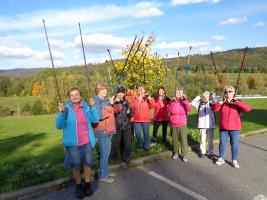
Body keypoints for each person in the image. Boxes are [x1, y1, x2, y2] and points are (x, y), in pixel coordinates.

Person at [56, 87, 99, 199]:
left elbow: (95, 120)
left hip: (87, 142)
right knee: (76, 166)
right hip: (73, 144)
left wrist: (93, 107)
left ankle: (87, 183)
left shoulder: (85, 107)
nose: (75, 97)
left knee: (87, 163)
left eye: (77, 94)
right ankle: (79, 185)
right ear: (69, 97)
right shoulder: (66, 109)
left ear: (80, 95)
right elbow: (59, 126)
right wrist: (60, 113)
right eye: (72, 95)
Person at [212, 85, 251, 168]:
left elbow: (248, 109)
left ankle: (234, 160)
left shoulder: (237, 102)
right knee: (222, 143)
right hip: (223, 127)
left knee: (234, 144)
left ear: (233, 93)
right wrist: (220, 102)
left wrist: (237, 102)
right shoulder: (222, 102)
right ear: (224, 93)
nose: (228, 93)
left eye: (230, 91)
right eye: (226, 92)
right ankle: (221, 158)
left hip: (235, 128)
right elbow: (213, 109)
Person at [93, 83, 116, 183]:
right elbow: (99, 115)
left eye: (106, 89)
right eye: (102, 89)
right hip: (102, 131)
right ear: (98, 91)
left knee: (106, 154)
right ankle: (103, 176)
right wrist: (110, 105)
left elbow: (111, 111)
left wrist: (116, 105)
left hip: (109, 129)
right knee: (104, 154)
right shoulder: (96, 101)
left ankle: (105, 171)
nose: (105, 91)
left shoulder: (105, 100)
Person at [110, 86, 133, 164]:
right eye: (119, 93)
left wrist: (129, 113)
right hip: (116, 126)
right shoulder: (112, 102)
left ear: (124, 94)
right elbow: (110, 112)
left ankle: (126, 157)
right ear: (116, 93)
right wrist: (113, 103)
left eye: (122, 93)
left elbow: (131, 114)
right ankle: (113, 158)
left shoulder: (127, 102)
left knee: (127, 143)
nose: (120, 94)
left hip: (126, 126)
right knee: (115, 144)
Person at [167, 88, 191, 162]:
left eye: (180, 93)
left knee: (183, 140)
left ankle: (184, 155)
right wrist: (171, 101)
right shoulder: (172, 102)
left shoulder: (184, 101)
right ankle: (176, 152)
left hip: (182, 124)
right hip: (173, 124)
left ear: (182, 94)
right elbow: (168, 110)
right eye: (177, 93)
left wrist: (185, 100)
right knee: (175, 140)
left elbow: (189, 109)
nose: (178, 94)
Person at [191, 91, 216, 158]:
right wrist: (199, 96)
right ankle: (203, 152)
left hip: (210, 125)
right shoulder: (199, 104)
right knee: (202, 139)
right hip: (202, 125)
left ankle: (211, 153)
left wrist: (213, 95)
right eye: (203, 97)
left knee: (210, 140)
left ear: (209, 98)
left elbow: (217, 102)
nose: (205, 98)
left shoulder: (211, 104)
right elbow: (192, 103)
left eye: (206, 97)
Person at [131, 85, 151, 151]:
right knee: (137, 134)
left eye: (142, 89)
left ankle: (147, 146)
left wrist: (150, 99)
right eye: (139, 89)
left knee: (146, 133)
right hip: (137, 120)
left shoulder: (147, 98)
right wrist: (135, 99)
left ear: (145, 90)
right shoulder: (135, 98)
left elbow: (154, 105)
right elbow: (131, 107)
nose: (140, 90)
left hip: (145, 120)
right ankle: (139, 146)